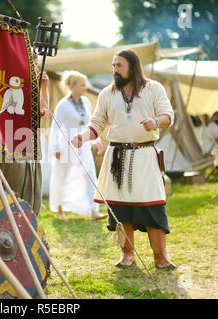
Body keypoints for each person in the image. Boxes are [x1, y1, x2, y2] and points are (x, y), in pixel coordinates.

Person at [71, 49, 175, 269]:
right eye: (113, 66)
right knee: (120, 210)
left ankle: (161, 257)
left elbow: (168, 115)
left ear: (132, 66)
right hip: (117, 158)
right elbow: (97, 124)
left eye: (119, 66)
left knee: (152, 206)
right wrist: (83, 136)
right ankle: (127, 254)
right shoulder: (106, 94)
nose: (114, 70)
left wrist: (156, 122)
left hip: (145, 156)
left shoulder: (154, 89)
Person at [49, 70, 107, 221]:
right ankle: (60, 211)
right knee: (63, 177)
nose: (85, 87)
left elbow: (89, 124)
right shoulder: (63, 105)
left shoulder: (86, 102)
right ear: (73, 86)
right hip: (66, 147)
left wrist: (96, 141)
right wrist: (55, 148)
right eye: (82, 85)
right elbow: (55, 127)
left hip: (83, 147)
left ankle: (94, 211)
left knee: (90, 176)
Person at [0, 51, 48, 216]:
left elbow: (43, 112)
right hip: (13, 145)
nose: (35, 68)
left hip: (31, 145)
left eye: (36, 65)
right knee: (15, 190)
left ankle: (29, 231)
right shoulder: (12, 86)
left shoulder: (32, 87)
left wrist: (43, 86)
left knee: (33, 193)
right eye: (33, 65)